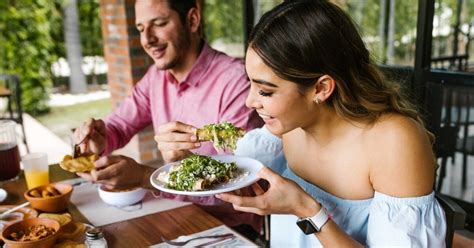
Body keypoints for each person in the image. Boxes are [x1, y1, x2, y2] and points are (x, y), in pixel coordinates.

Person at [216, 1, 447, 247]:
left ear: (321, 88)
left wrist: (306, 209)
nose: (249, 101)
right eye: (251, 83)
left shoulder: (394, 141)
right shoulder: (289, 125)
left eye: (265, 91)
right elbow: (244, 168)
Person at [73, 0, 263, 236]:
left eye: (159, 24)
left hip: (230, 228)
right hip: (175, 213)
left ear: (192, 20)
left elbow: (239, 185)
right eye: (141, 29)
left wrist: (144, 177)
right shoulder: (155, 77)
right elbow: (120, 125)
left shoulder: (236, 82)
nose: (147, 40)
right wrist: (100, 139)